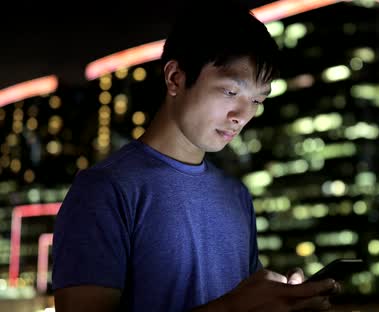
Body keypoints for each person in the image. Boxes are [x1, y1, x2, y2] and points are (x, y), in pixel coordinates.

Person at [51, 1, 339, 311]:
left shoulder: (236, 196)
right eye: (230, 92)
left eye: (256, 100)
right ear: (175, 77)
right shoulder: (103, 190)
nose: (242, 115)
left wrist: (284, 301)